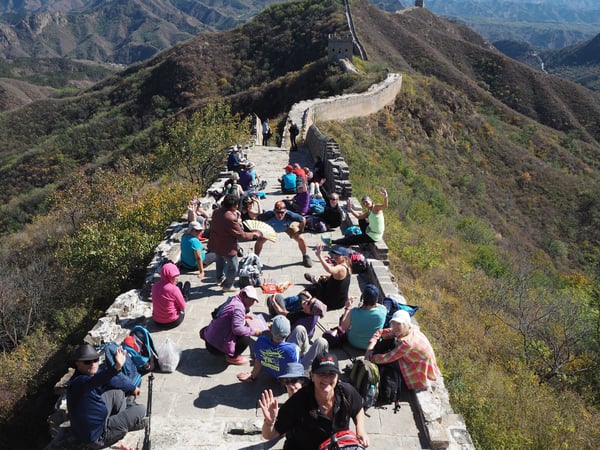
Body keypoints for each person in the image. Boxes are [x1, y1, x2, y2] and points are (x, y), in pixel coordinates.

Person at [259, 352, 369, 449]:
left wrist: (360, 428)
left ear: (338, 376)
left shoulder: (346, 392)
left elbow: (358, 408)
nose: (326, 379)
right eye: (321, 373)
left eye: (331, 374)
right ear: (312, 375)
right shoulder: (297, 402)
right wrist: (269, 423)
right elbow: (269, 435)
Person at [67, 344, 147, 449]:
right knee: (141, 409)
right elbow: (98, 380)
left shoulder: (88, 374)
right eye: (87, 362)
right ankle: (127, 422)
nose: (92, 364)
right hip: (97, 437)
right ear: (77, 364)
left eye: (95, 360)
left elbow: (110, 379)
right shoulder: (79, 382)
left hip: (93, 423)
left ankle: (124, 419)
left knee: (117, 393)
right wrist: (116, 367)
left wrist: (132, 388)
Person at [365, 310, 441, 391]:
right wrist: (370, 348)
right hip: (414, 359)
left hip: (416, 368)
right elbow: (380, 332)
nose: (395, 326)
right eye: (393, 323)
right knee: (386, 347)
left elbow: (387, 358)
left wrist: (370, 358)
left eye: (399, 324)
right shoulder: (407, 330)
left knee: (387, 362)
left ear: (406, 324)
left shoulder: (407, 343)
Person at [208, 195, 262, 292]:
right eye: (237, 205)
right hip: (227, 246)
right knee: (234, 266)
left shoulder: (216, 212)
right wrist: (254, 235)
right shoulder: (230, 218)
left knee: (219, 261)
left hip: (216, 242)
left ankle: (219, 278)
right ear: (233, 206)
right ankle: (228, 286)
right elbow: (241, 235)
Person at [200, 286, 264, 365]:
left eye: (253, 301)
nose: (252, 303)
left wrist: (243, 316)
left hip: (209, 338)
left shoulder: (233, 299)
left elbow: (224, 314)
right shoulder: (239, 308)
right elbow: (237, 329)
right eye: (251, 300)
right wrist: (255, 332)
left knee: (243, 329)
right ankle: (232, 357)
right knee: (245, 338)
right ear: (243, 296)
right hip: (216, 348)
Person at [236, 315, 300, 382]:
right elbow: (294, 370)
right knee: (300, 330)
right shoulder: (293, 349)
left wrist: (252, 376)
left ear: (270, 330)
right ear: (289, 332)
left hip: (271, 373)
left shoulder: (261, 341)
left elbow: (258, 361)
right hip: (283, 379)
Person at [254, 200, 312, 268]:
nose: (280, 215)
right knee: (260, 240)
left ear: (285, 211)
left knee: (300, 238)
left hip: (287, 227)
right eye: (277, 212)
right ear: (274, 211)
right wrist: (259, 230)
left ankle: (305, 255)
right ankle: (255, 258)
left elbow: (303, 220)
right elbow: (257, 219)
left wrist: (301, 230)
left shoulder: (290, 215)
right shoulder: (268, 215)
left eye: (282, 212)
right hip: (270, 228)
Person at [303, 244, 351, 311]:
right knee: (323, 280)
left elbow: (329, 269)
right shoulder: (347, 266)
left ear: (344, 258)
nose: (335, 256)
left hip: (332, 303)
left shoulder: (341, 268)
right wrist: (325, 276)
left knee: (315, 286)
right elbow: (338, 276)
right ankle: (315, 280)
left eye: (338, 255)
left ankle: (314, 281)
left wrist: (319, 256)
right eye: (335, 254)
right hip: (340, 301)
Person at [339, 284, 386, 350]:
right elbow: (378, 306)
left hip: (353, 342)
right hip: (372, 345)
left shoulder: (353, 312)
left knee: (343, 318)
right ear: (376, 299)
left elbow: (343, 328)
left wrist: (348, 308)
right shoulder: (383, 310)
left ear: (363, 297)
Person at [151, 262, 188, 329]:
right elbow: (183, 306)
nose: (177, 278)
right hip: (172, 322)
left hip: (157, 322)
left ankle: (182, 290)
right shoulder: (174, 289)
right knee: (184, 299)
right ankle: (185, 293)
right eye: (174, 276)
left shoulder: (154, 287)